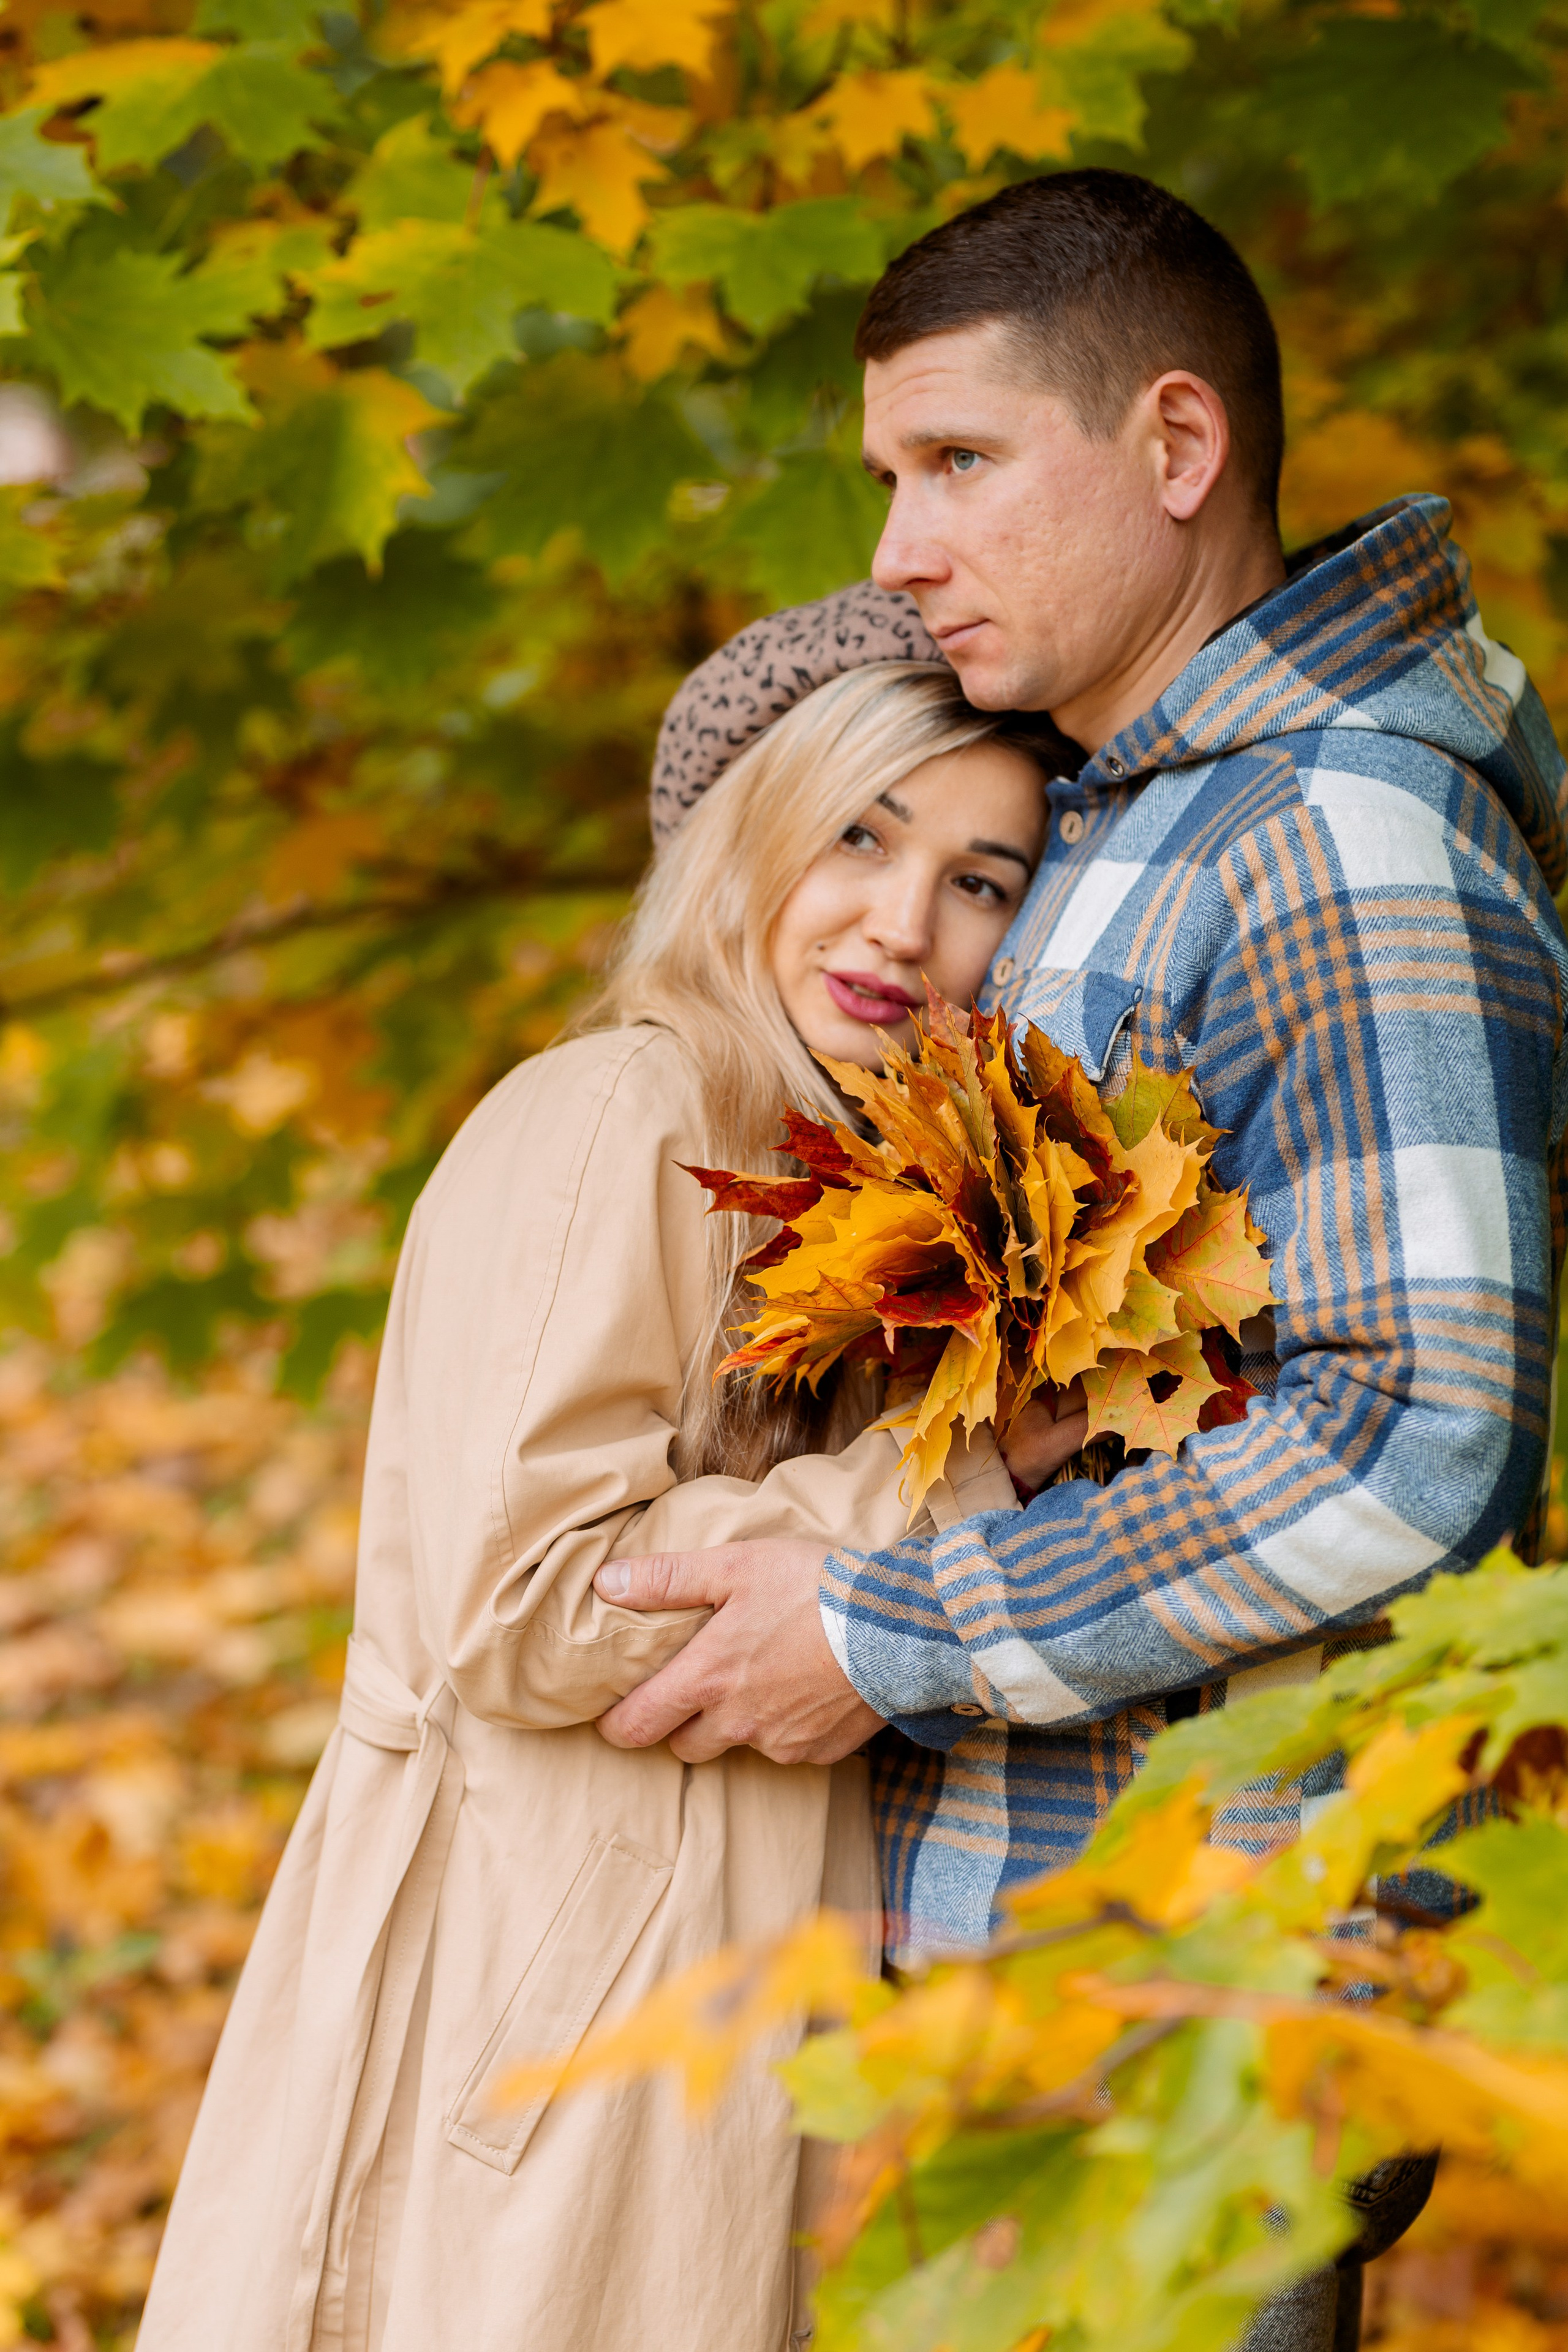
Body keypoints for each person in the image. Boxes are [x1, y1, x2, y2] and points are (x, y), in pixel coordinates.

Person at [590, 168, 1568, 2350]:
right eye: (883, 476)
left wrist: (880, 1623)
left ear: (1177, 448)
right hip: (1031, 1949)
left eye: (956, 464)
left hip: (1200, 1982)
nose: (895, 548)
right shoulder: (1131, 806)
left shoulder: (1339, 837)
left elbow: (1416, 1446)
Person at [134, 662, 1049, 2352]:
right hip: (534, 1989)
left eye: (979, 881)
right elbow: (533, 1607)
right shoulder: (628, 1109)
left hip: (705, 1997)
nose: (904, 922)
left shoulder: (827, 1174)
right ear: (753, 836)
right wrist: (971, 1480)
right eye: (862, 833)